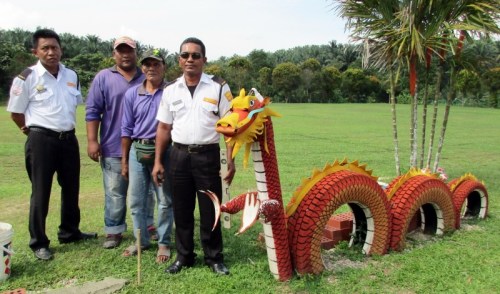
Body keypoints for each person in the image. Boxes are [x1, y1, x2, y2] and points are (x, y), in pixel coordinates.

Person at [7, 29, 97, 261]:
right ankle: (39, 242)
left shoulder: (71, 75)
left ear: (61, 49)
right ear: (35, 51)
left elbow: (73, 104)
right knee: (41, 191)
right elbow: (16, 113)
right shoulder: (26, 78)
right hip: (40, 140)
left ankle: (70, 232)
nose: (51, 52)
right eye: (45, 48)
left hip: (68, 139)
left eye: (54, 47)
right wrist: (28, 130)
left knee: (71, 188)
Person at [153, 37, 235, 275]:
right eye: (185, 55)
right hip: (178, 156)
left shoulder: (219, 86)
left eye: (195, 55)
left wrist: (230, 159)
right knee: (182, 208)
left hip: (207, 156)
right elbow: (164, 128)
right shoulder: (170, 89)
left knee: (211, 208)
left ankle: (214, 257)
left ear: (204, 60)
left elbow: (230, 127)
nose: (190, 59)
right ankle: (184, 256)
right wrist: (158, 161)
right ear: (179, 60)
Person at [85, 36, 146, 249]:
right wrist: (92, 141)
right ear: (114, 54)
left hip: (142, 146)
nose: (125, 54)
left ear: (136, 53)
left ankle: (147, 227)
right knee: (114, 191)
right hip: (112, 145)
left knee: (145, 190)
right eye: (121, 50)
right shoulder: (104, 77)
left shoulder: (146, 75)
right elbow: (93, 111)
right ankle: (114, 230)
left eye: (129, 50)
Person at [121, 49, 173, 263]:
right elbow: (126, 128)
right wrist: (124, 160)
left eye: (156, 64)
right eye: (147, 64)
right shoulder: (132, 93)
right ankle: (140, 240)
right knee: (136, 200)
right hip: (137, 150)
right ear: (142, 68)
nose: (151, 68)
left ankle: (164, 242)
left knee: (164, 200)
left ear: (164, 67)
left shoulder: (171, 92)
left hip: (165, 150)